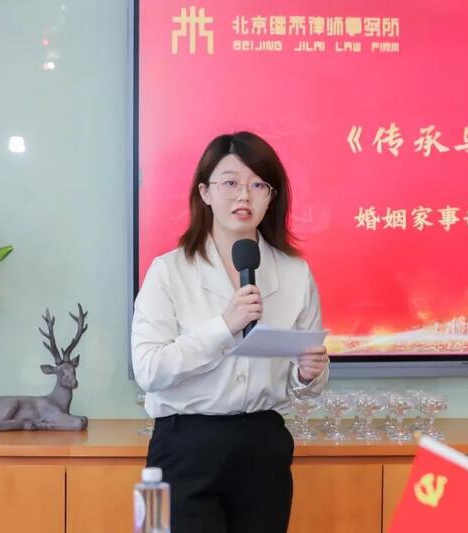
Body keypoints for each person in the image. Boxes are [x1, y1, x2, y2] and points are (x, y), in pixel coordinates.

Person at [131, 131, 329, 532]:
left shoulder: (295, 273)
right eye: (230, 183)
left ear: (271, 197)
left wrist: (309, 373)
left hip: (263, 446)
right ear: (205, 192)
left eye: (258, 185)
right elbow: (149, 370)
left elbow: (305, 381)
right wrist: (224, 326)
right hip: (184, 447)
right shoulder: (169, 271)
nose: (244, 196)